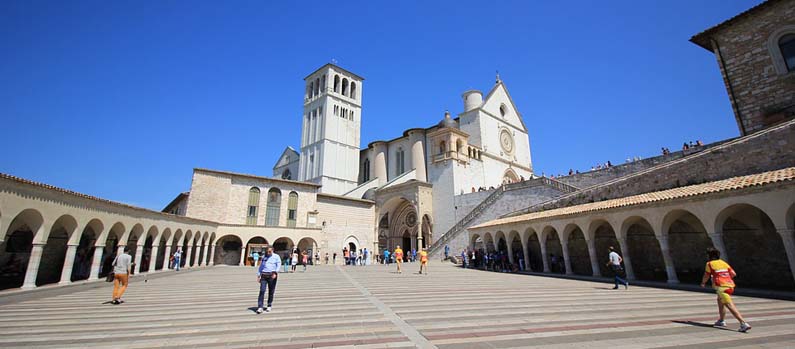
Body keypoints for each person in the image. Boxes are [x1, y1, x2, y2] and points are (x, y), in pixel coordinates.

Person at [700, 247, 751, 332]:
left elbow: (706, 275)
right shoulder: (723, 263)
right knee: (720, 301)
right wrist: (726, 277)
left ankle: (743, 323)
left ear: (709, 256)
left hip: (721, 287)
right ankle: (721, 320)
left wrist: (703, 283)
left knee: (729, 305)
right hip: (730, 286)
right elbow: (733, 274)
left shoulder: (709, 264)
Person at [256, 247, 281, 314]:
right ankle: (260, 307)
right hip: (264, 275)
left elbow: (278, 265)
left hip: (272, 275)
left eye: (269, 251)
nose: (268, 253)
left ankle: (269, 305)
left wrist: (276, 272)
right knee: (262, 290)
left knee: (271, 291)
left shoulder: (276, 256)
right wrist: (259, 275)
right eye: (267, 251)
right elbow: (261, 266)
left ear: (272, 250)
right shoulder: (264, 257)